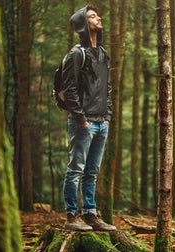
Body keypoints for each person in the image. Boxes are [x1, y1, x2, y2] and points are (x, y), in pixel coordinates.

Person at [62, 5, 116, 231]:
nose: (98, 18)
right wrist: (81, 119)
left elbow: (108, 87)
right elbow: (69, 89)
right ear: (83, 23)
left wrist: (108, 117)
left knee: (92, 172)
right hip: (82, 123)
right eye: (92, 16)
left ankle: (91, 215)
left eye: (97, 15)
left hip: (101, 121)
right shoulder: (77, 54)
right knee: (76, 169)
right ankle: (71, 216)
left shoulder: (103, 53)